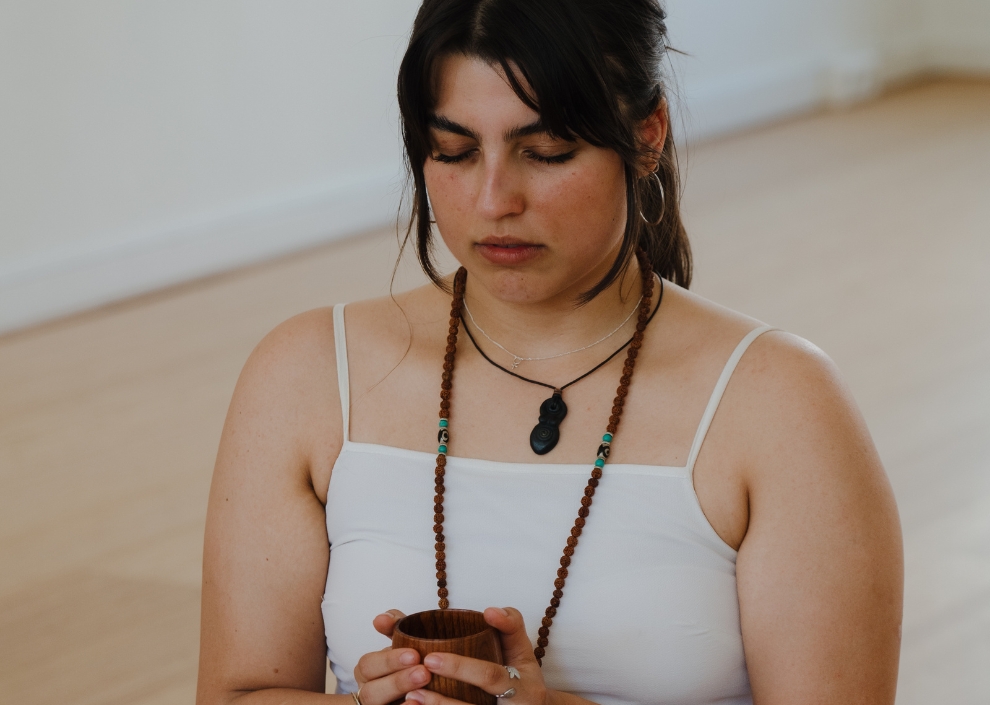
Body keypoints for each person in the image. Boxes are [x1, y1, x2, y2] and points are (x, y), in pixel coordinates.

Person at [196, 1, 903, 703]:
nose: (495, 198)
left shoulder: (781, 402)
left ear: (647, 134)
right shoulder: (306, 375)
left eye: (546, 152)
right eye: (456, 150)